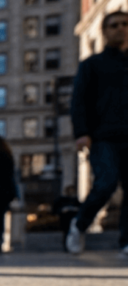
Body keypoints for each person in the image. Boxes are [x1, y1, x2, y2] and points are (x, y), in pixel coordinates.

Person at [67, 11, 128, 256]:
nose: (120, 29)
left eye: (125, 24)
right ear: (104, 31)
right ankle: (79, 224)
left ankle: (126, 241)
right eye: (114, 25)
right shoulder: (92, 65)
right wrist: (82, 133)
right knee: (105, 183)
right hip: (103, 137)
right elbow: (78, 101)